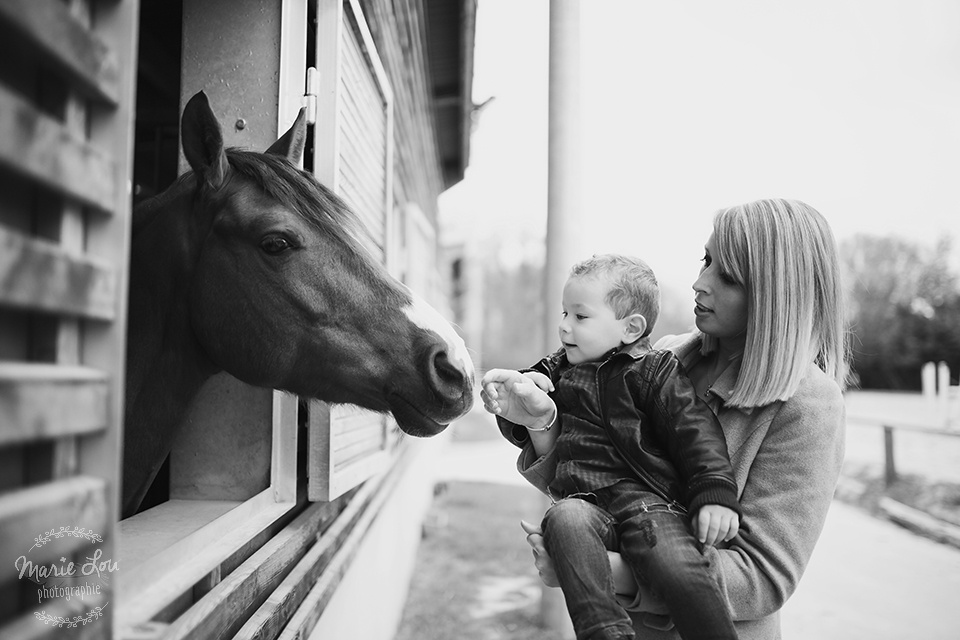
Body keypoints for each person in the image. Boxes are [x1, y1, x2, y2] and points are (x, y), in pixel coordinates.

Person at [486, 199, 849, 640]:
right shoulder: (660, 358)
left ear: (776, 293)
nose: (700, 283)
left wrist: (605, 571)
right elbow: (599, 479)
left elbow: (762, 578)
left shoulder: (810, 404)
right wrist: (543, 427)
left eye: (727, 276)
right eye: (706, 260)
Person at [482, 253, 743, 640]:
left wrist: (715, 492)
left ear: (630, 328)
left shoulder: (654, 371)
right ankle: (605, 632)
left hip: (647, 505)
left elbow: (695, 431)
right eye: (565, 313)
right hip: (584, 506)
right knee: (563, 520)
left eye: (580, 317)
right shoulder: (561, 368)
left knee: (677, 565)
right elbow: (534, 389)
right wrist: (516, 390)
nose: (564, 327)